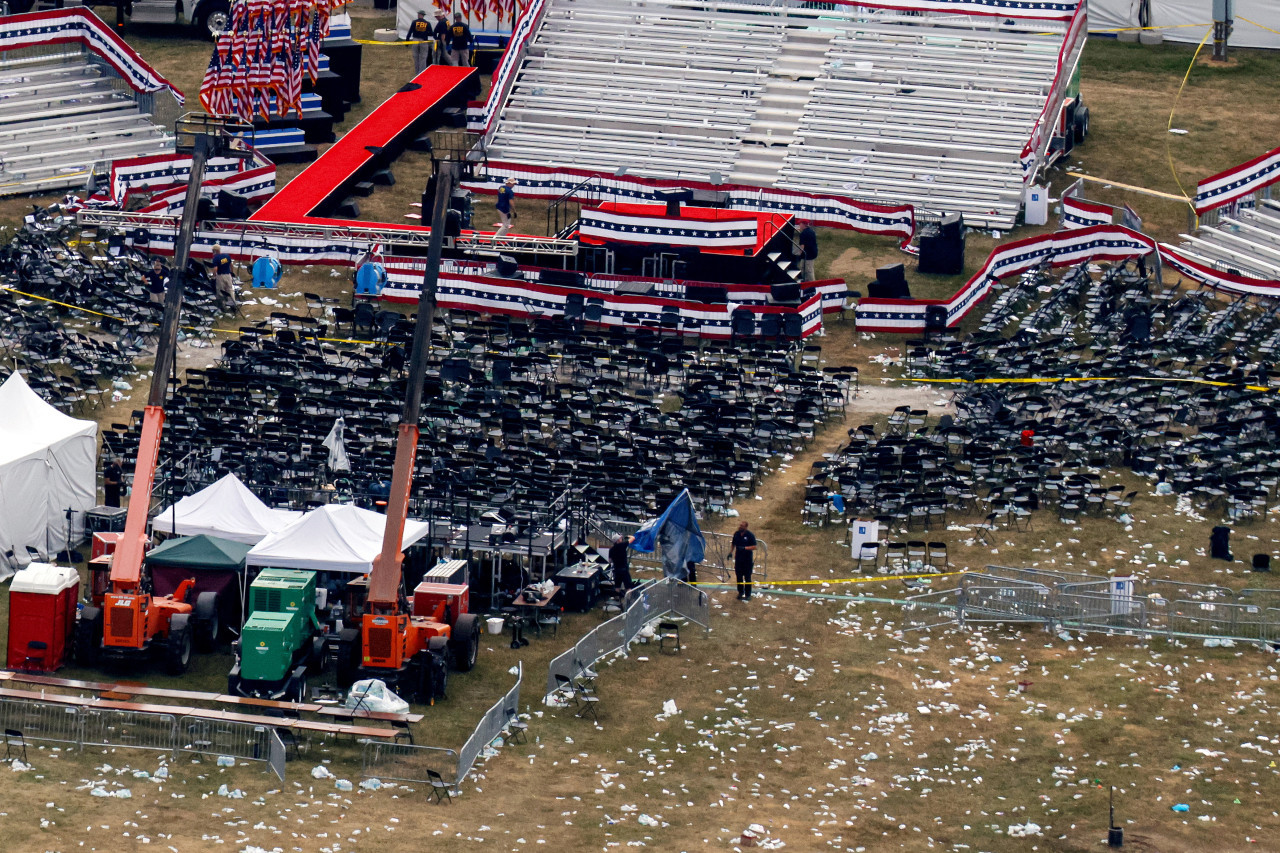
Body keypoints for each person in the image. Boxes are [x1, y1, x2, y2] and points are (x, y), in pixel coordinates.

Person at [731, 520, 757, 601]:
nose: (740, 527)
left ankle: (748, 594)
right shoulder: (736, 534)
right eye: (740, 525)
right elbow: (733, 544)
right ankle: (740, 592)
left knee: (747, 578)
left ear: (746, 527)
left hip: (747, 560)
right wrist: (730, 552)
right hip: (738, 560)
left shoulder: (750, 535)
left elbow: (754, 547)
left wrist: (745, 548)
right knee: (739, 577)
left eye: (742, 526)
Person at [409, 10, 434, 75]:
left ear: (419, 14)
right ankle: (422, 73)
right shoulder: (427, 23)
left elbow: (410, 31)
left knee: (415, 56)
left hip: (415, 40)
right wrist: (425, 33)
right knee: (423, 57)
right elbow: (431, 33)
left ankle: (417, 72)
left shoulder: (414, 22)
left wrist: (407, 40)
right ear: (423, 15)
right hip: (424, 40)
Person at [211, 243, 235, 310]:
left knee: (220, 291)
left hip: (220, 276)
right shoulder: (226, 256)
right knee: (230, 290)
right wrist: (232, 272)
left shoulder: (216, 258)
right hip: (228, 275)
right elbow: (231, 265)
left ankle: (222, 306)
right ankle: (233, 304)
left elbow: (216, 268)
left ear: (215, 251)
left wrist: (213, 276)